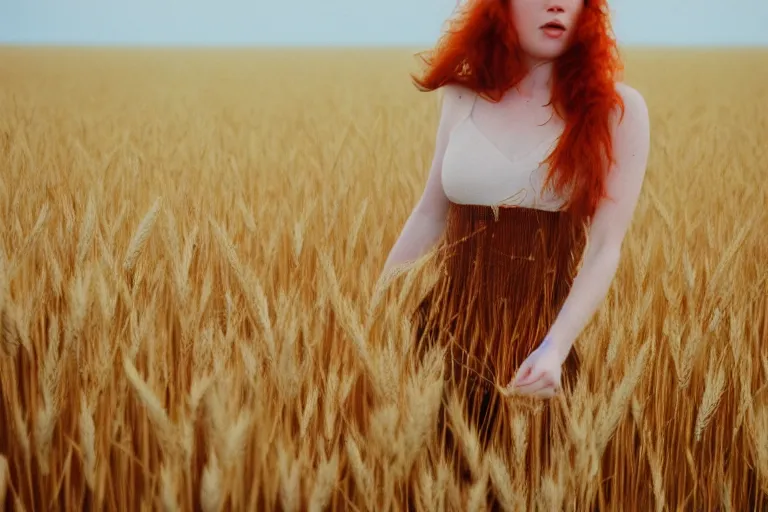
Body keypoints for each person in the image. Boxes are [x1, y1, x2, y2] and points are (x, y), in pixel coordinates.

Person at [380, 0, 651, 484]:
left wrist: (555, 348)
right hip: (440, 346)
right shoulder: (462, 94)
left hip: (533, 361)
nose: (556, 4)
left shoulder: (618, 110)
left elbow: (606, 247)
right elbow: (429, 213)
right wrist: (376, 310)